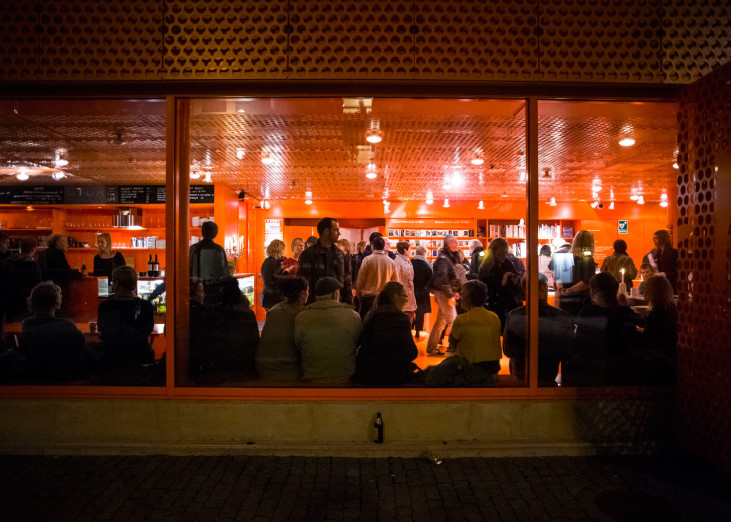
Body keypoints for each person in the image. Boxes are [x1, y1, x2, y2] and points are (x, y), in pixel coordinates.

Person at [565, 273, 642, 386]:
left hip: (593, 371)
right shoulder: (627, 313)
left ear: (594, 292)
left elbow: (581, 344)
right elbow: (632, 341)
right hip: (624, 372)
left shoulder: (587, 312)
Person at [502, 278, 573, 385]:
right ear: (544, 289)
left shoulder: (514, 315)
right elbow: (566, 350)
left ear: (526, 290)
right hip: (548, 374)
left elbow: (508, 350)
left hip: (521, 374)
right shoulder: (560, 315)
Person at [294, 277, 362, 384]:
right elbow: (357, 343)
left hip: (312, 379)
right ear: (335, 295)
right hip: (344, 379)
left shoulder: (301, 317)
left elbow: (298, 344)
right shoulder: (353, 316)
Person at [20, 281, 90, 382]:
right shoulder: (67, 324)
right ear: (56, 301)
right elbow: (81, 342)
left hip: (38, 374)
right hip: (66, 374)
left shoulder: (27, 324)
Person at [354, 281, 419, 385]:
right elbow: (411, 352)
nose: (406, 299)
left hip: (369, 373)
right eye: (404, 295)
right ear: (395, 296)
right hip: (394, 375)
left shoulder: (370, 316)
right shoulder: (401, 318)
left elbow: (363, 345)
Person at [196, 276, 259, 378]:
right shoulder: (247, 314)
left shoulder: (211, 315)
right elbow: (254, 342)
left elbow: (203, 344)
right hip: (243, 370)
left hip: (217, 372)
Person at [96, 266, 155, 374]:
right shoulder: (146, 306)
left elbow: (102, 332)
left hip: (111, 359)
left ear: (117, 283)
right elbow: (148, 330)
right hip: (140, 358)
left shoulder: (105, 306)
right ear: (134, 283)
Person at [256, 277, 309, 382]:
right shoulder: (303, 314)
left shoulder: (274, 310)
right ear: (302, 293)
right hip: (288, 370)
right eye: (308, 291)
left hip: (263, 367)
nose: (309, 294)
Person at [447, 280, 502, 381]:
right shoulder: (494, 317)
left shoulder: (462, 319)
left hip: (471, 371)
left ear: (469, 297)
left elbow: (452, 343)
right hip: (493, 370)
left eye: (462, 294)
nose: (460, 297)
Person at [297, 217, 352, 305]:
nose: (339, 233)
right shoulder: (308, 254)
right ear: (326, 231)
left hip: (337, 305)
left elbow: (347, 281)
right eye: (336, 230)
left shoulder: (340, 254)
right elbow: (303, 282)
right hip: (315, 306)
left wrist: (349, 304)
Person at [426, 235, 462, 356]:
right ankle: (454, 349)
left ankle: (431, 348)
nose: (457, 245)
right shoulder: (444, 259)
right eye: (455, 243)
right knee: (453, 320)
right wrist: (451, 294)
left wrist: (454, 291)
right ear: (449, 244)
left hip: (444, 293)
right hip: (444, 294)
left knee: (441, 321)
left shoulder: (445, 257)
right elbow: (442, 280)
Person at [478, 237, 522, 329]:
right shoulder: (486, 267)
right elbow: (485, 289)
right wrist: (502, 282)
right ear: (493, 253)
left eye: (505, 253)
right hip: (494, 307)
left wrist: (516, 281)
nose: (504, 256)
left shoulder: (507, 262)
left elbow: (516, 284)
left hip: (508, 305)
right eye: (501, 254)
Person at [355, 235, 398, 320]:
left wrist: (358, 293)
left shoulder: (367, 260)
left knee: (367, 325)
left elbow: (360, 279)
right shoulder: (391, 262)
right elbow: (395, 282)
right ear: (383, 246)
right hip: (384, 299)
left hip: (368, 299)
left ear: (372, 246)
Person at [37, 233, 83, 312]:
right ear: (58, 243)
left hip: (44, 289)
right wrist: (80, 274)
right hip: (57, 290)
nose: (67, 244)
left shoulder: (43, 253)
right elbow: (66, 273)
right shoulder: (58, 254)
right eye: (65, 242)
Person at [555, 230, 596, 317]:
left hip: (565, 301)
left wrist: (562, 289)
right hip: (582, 301)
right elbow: (586, 282)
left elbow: (559, 279)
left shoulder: (565, 257)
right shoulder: (588, 260)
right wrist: (571, 290)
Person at [189, 221, 229, 304]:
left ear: (202, 232)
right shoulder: (219, 250)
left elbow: (189, 269)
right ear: (216, 233)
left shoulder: (194, 248)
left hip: (196, 293)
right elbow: (225, 273)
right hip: (215, 293)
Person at [4, 237, 43, 323]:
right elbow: (38, 284)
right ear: (34, 249)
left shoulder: (8, 262)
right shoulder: (32, 264)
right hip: (27, 298)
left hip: (10, 298)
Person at [642, 275, 678, 362]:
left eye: (646, 289)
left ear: (653, 292)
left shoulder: (655, 316)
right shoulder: (672, 311)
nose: (644, 292)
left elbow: (648, 342)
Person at [411, 245, 433, 340]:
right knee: (420, 311)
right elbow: (431, 278)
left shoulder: (410, 262)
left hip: (412, 290)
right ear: (424, 253)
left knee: (410, 310)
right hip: (423, 291)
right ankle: (418, 331)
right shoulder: (427, 265)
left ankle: (410, 328)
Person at [393, 241, 417, 323]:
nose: (411, 250)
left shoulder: (408, 260)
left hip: (410, 292)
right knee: (403, 316)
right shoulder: (397, 261)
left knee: (410, 314)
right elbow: (397, 278)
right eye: (409, 249)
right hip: (403, 293)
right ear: (405, 250)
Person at [260, 239, 285, 311]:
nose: (283, 252)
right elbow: (275, 281)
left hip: (269, 297)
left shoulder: (268, 261)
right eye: (282, 250)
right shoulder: (272, 263)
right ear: (278, 250)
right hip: (272, 299)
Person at [336, 238, 355, 305]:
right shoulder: (346, 257)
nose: (337, 247)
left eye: (339, 245)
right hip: (344, 286)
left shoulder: (350, 258)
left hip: (346, 287)